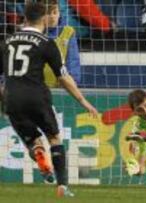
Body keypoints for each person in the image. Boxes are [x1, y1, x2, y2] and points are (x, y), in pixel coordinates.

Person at [0, 2, 98, 197]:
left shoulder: (6, 42)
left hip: (11, 98)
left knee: (34, 140)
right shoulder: (46, 43)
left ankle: (37, 152)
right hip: (37, 96)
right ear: (44, 18)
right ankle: (62, 185)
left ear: (24, 18)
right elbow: (64, 77)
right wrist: (83, 101)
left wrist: (5, 98)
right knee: (54, 138)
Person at [40, 0, 81, 87]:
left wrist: (73, 83)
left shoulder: (68, 32)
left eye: (55, 12)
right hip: (38, 89)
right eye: (48, 13)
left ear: (59, 13)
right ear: (41, 15)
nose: (52, 16)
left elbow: (73, 61)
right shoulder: (35, 33)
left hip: (61, 88)